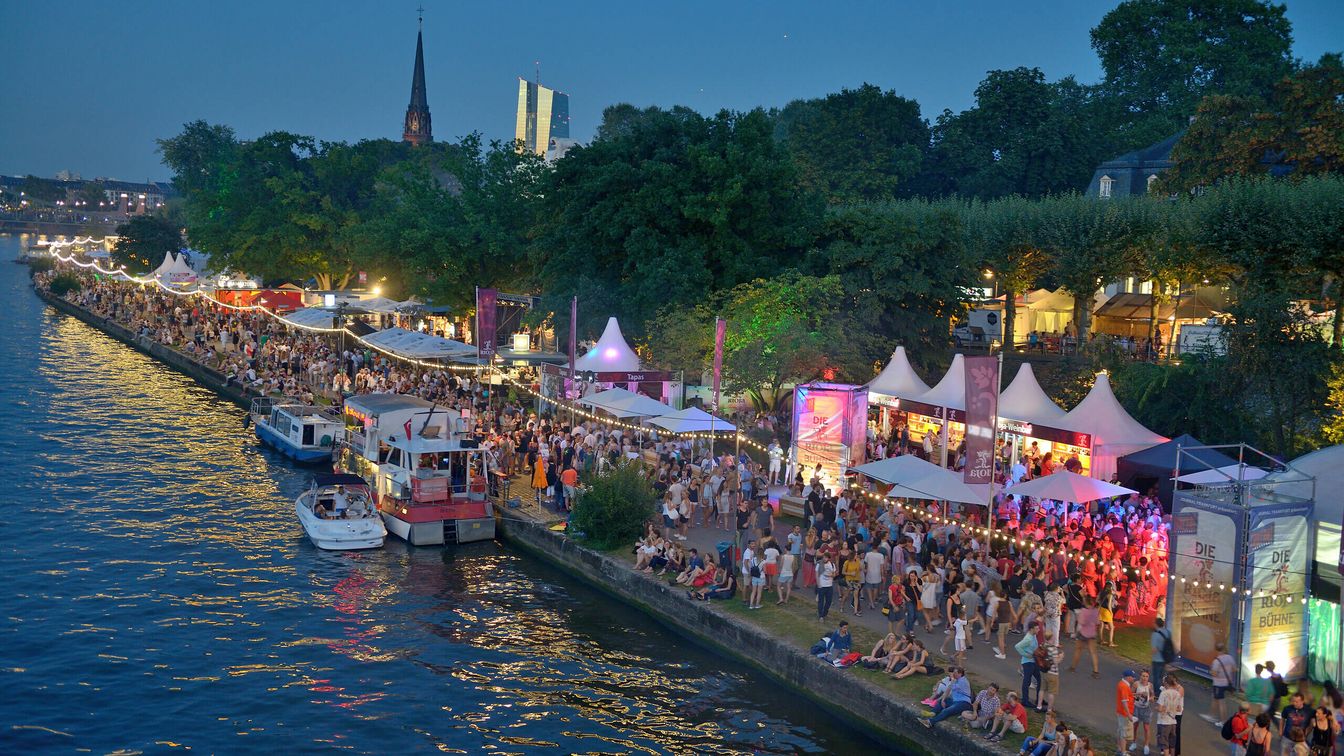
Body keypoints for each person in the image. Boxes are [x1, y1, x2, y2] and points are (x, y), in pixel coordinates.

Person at [1069, 595, 1101, 678]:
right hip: (1092, 633)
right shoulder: (1096, 611)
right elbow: (1097, 622)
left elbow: (1081, 622)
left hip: (1083, 632)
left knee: (1078, 650)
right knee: (1093, 652)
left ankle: (1073, 667)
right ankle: (1096, 671)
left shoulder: (1083, 611)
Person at [1207, 642, 1238, 724]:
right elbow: (1235, 669)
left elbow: (1214, 673)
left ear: (1216, 650)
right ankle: (1211, 715)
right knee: (1214, 698)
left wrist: (1210, 671)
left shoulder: (1217, 661)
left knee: (1221, 702)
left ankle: (1223, 721)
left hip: (1218, 684)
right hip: (1227, 683)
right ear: (1224, 648)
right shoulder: (1230, 658)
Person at [1016, 619, 1041, 709]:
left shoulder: (1033, 635)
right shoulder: (1028, 639)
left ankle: (1039, 699)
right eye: (1037, 628)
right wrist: (1027, 655)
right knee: (1027, 681)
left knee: (1038, 680)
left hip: (1033, 661)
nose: (1038, 630)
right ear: (1031, 629)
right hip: (1028, 662)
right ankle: (1025, 701)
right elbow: (1018, 646)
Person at [1157, 674, 1183, 756]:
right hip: (1173, 721)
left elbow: (1160, 709)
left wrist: (1157, 708)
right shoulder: (1177, 694)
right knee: (1172, 742)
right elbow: (1179, 708)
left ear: (1166, 683)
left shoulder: (1164, 693)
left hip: (1164, 721)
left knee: (1164, 743)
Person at [1133, 669, 1156, 755]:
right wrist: (1140, 695)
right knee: (1135, 726)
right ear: (1140, 676)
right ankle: (1134, 743)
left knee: (1146, 728)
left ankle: (1146, 746)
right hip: (1136, 708)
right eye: (1143, 676)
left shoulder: (1150, 685)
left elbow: (1153, 696)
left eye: (1146, 676)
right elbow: (1131, 694)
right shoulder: (1136, 684)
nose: (1144, 678)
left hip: (1146, 709)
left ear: (1148, 677)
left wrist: (1150, 698)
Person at [1118, 669, 1138, 756]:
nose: (1134, 679)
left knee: (1121, 731)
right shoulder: (1124, 686)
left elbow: (1127, 696)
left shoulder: (1122, 684)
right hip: (1125, 713)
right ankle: (1123, 752)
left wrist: (1137, 694)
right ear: (1128, 677)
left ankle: (1120, 749)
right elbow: (1124, 701)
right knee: (1124, 733)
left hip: (1121, 712)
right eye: (1132, 677)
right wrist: (1129, 715)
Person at [1151, 618, 1173, 687]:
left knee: (1156, 678)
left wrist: (1151, 653)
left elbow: (1154, 649)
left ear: (1156, 624)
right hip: (1166, 658)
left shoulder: (1155, 634)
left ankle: (1157, 693)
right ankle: (1161, 691)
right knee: (1162, 677)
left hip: (1157, 659)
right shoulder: (1168, 632)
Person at [816, 553, 837, 621]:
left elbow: (834, 574)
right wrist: (818, 584)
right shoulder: (819, 564)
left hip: (829, 586)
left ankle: (824, 613)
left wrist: (831, 575)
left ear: (829, 558)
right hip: (822, 585)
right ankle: (820, 615)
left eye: (826, 557)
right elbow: (816, 574)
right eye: (824, 557)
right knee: (821, 602)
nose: (824, 559)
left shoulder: (832, 565)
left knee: (829, 601)